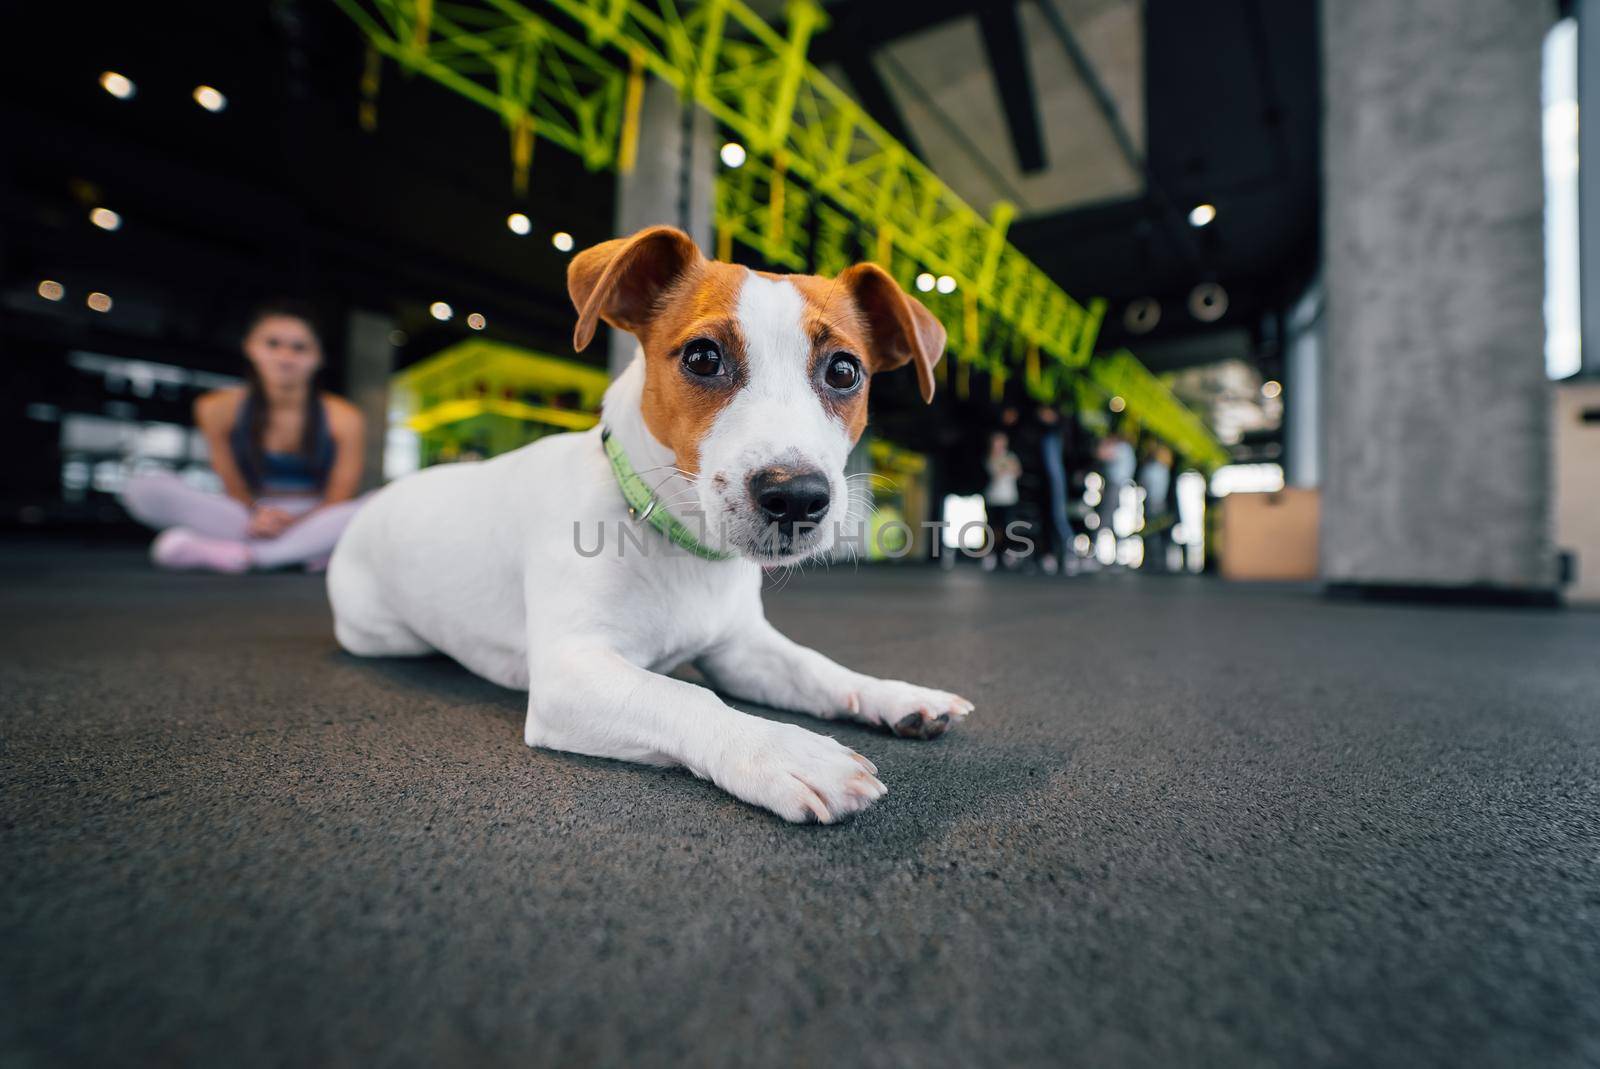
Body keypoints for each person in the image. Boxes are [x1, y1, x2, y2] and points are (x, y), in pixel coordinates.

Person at [121, 302, 367, 573]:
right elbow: (233, 486)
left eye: (299, 348)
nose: (285, 356)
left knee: (374, 507)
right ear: (251, 347)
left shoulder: (345, 416)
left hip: (316, 513)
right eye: (273, 344)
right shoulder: (216, 407)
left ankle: (246, 555)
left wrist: (293, 521)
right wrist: (257, 513)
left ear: (317, 358)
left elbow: (339, 496)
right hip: (245, 513)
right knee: (144, 487)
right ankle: (306, 553)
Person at [982, 430, 1022, 571]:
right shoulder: (990, 457)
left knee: (1008, 527)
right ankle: (990, 554)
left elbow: (1016, 471)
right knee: (992, 527)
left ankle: (1006, 553)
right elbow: (997, 471)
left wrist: (1006, 467)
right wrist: (1006, 467)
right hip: (993, 498)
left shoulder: (1011, 456)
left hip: (1009, 498)